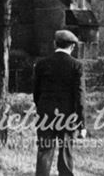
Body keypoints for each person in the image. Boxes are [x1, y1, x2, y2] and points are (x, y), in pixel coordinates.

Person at [33, 29, 87, 176]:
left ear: (55, 44)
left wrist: (42, 109)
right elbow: (80, 96)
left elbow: (36, 93)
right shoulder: (77, 66)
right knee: (66, 152)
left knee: (44, 151)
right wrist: (82, 123)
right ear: (72, 47)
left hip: (45, 114)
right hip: (67, 115)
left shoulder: (41, 64)